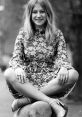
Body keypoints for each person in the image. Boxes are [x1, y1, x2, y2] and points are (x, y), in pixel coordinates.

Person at [4, 0, 79, 117]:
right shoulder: (23, 34)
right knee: (9, 73)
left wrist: (64, 67)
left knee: (73, 74)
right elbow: (16, 57)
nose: (38, 15)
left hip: (49, 81)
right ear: (30, 14)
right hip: (27, 81)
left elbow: (62, 56)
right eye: (35, 12)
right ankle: (50, 101)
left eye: (42, 11)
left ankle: (26, 100)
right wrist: (18, 68)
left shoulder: (57, 34)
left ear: (48, 13)